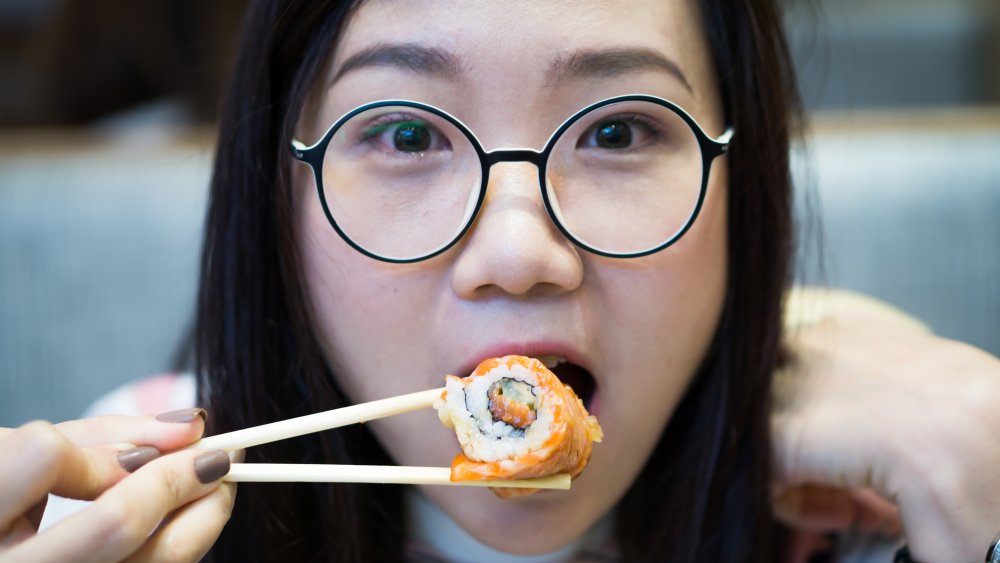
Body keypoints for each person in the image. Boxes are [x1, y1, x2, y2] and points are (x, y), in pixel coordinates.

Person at [1, 0, 999, 561]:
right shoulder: (131, 502)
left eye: (618, 131)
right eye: (403, 133)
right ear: (276, 196)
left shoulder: (869, 491)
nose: (518, 254)